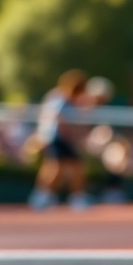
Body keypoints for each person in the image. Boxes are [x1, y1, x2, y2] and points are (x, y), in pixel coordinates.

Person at [29, 70, 89, 211]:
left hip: (60, 138)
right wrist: (68, 132)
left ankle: (74, 197)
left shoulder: (70, 100)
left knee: (70, 167)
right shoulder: (58, 97)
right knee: (56, 168)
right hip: (55, 137)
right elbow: (55, 116)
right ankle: (42, 197)